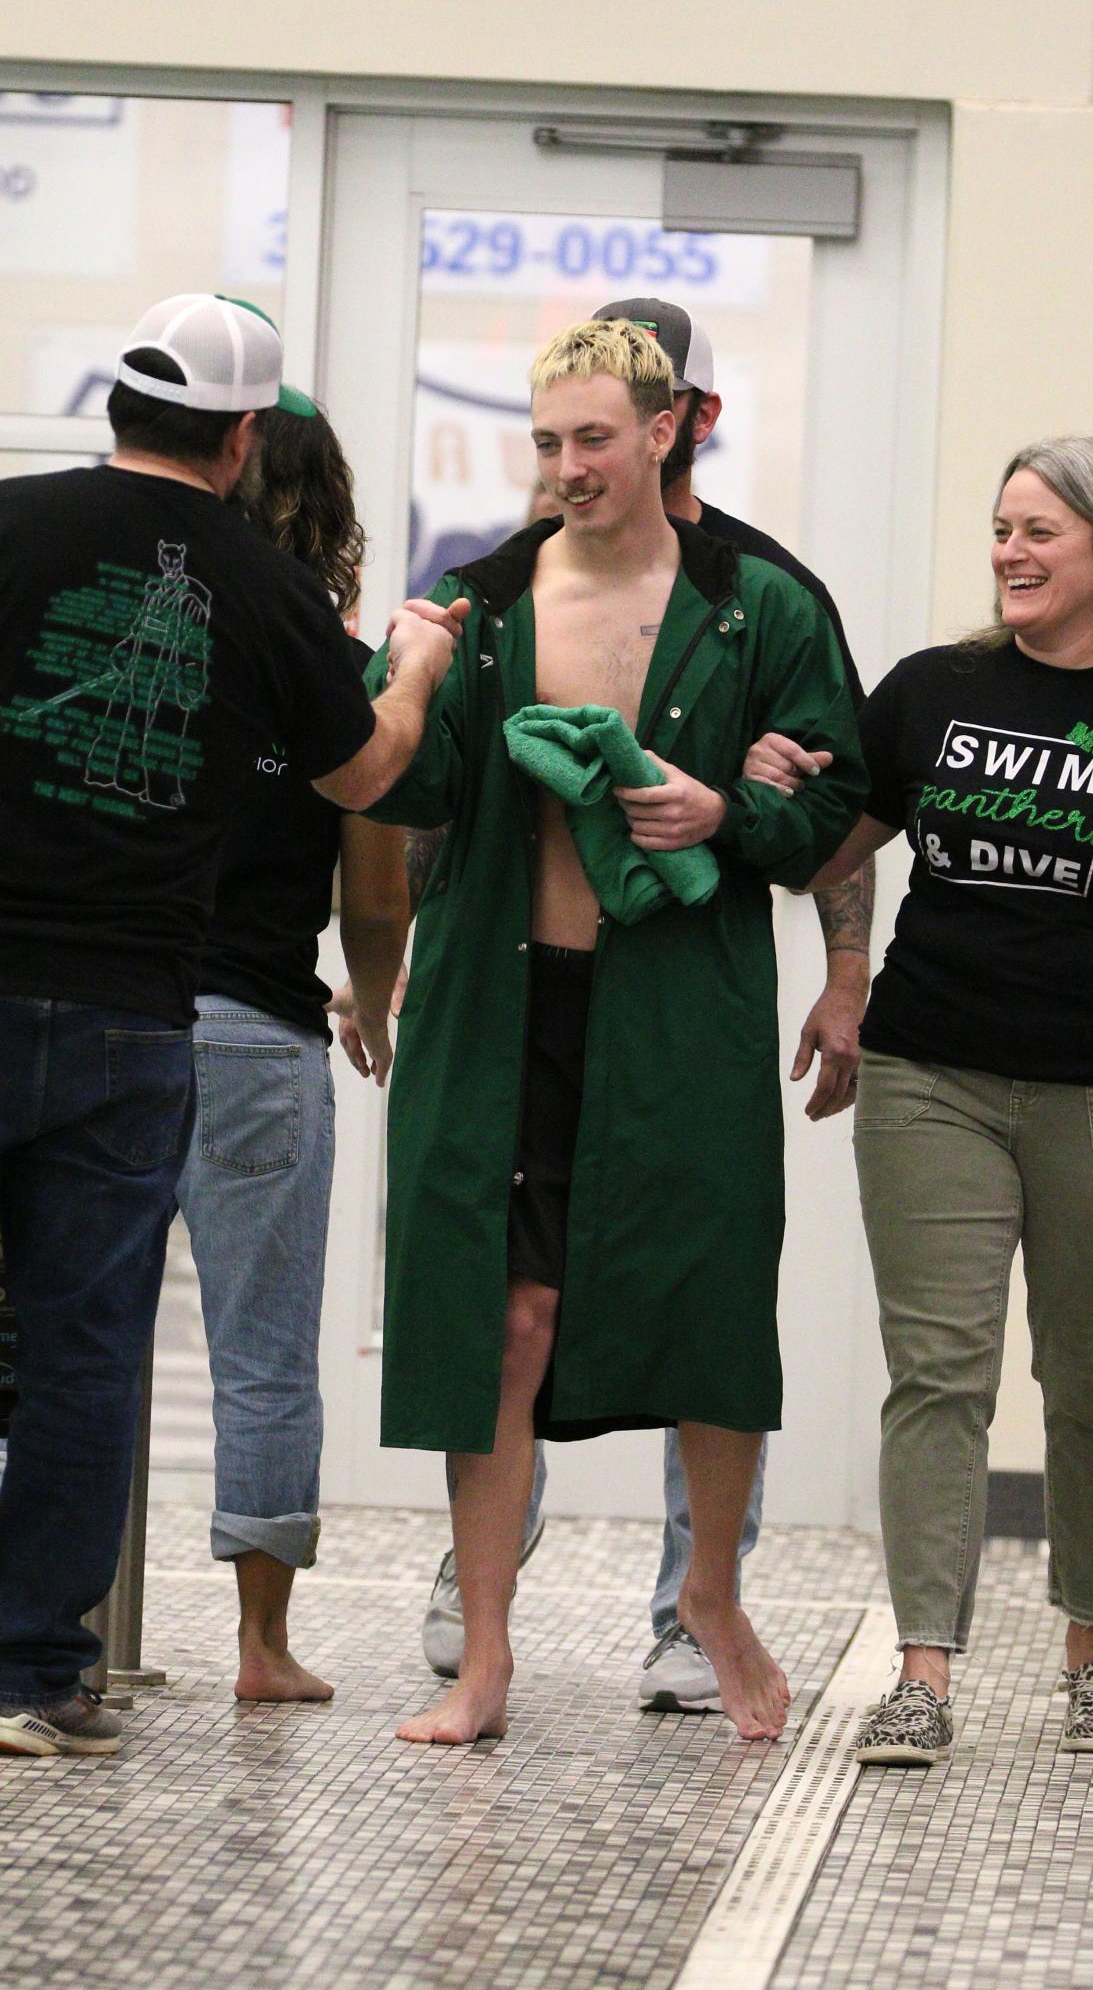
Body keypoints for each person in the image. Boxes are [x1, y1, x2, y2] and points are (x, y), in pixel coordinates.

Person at [361, 318, 864, 1746]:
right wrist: (404, 674)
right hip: (500, 1002)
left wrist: (732, 813)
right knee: (500, 1320)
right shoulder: (482, 601)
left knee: (706, 1306)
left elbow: (839, 805)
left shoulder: (759, 605)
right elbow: (408, 792)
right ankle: (487, 1657)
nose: (569, 467)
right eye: (546, 442)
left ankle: (709, 1593)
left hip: (673, 1013)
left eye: (594, 437)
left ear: (666, 430)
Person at [753, 435, 1093, 1762]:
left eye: (1041, 530)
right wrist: (795, 849)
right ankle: (922, 1670)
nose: (1011, 552)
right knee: (939, 1371)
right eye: (1001, 528)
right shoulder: (934, 691)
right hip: (935, 1076)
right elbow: (834, 848)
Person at [0, 293, 463, 1760]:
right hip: (146, 1012)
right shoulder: (263, 589)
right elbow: (367, 780)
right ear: (242, 430)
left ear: (118, 399)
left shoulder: (10, 520)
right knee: (88, 1344)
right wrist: (418, 665)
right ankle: (34, 1673)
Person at [174, 389, 411, 1704]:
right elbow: (375, 892)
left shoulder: (139, 630)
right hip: (259, 1026)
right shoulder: (341, 661)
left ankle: (46, 1623)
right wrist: (371, 997)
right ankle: (261, 1650)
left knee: (55, 1331)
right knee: (264, 1349)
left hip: (105, 1012)